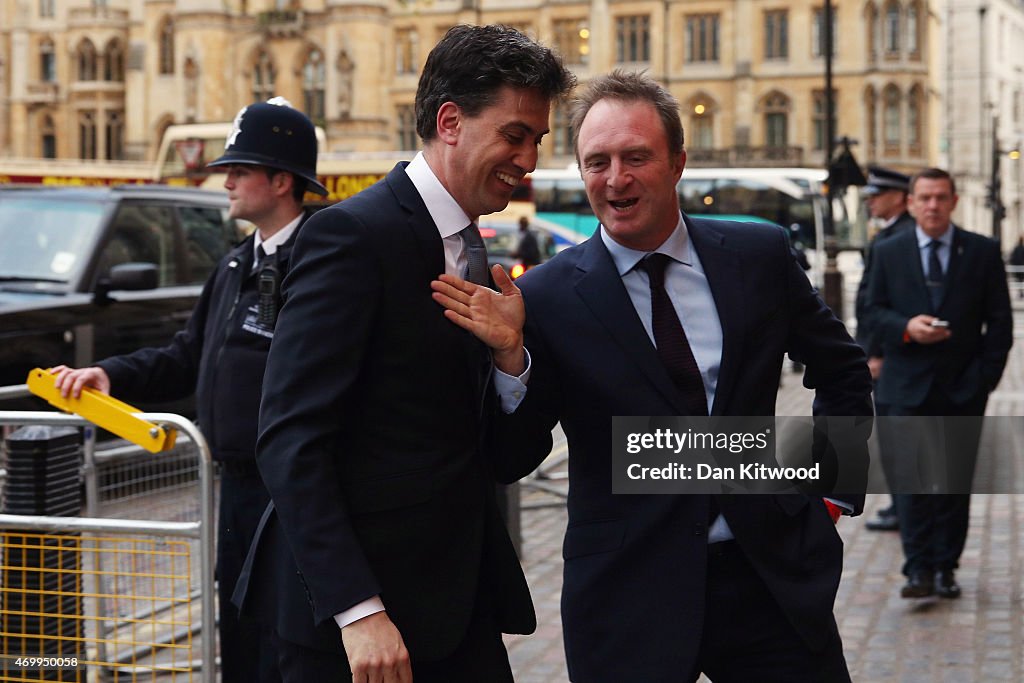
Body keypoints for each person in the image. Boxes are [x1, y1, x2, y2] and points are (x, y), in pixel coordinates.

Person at [432, 71, 872, 682]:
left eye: (636, 156)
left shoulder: (759, 256)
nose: (616, 179)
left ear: (677, 163)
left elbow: (843, 368)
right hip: (627, 594)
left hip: (768, 579)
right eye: (597, 161)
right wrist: (512, 360)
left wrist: (831, 489)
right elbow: (511, 455)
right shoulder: (548, 297)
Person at [231, 25, 574, 682]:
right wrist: (357, 610)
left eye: (537, 140)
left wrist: (511, 359)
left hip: (457, 606)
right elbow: (289, 437)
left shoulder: (477, 253)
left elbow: (507, 456)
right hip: (360, 625)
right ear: (451, 121)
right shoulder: (352, 234)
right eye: (514, 135)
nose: (529, 158)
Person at [49, 98, 328, 683]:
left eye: (240, 170)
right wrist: (111, 375)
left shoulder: (319, 262)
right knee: (239, 632)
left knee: (290, 641)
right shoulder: (233, 266)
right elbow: (187, 355)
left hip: (292, 492)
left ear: (281, 181)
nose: (225, 181)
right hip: (234, 486)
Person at [865, 167, 1013, 599]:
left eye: (941, 197)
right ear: (911, 203)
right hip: (905, 386)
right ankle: (919, 570)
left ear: (954, 201)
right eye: (924, 198)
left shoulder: (982, 252)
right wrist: (907, 328)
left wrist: (984, 379)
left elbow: (999, 323)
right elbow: (872, 312)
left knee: (951, 484)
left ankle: (946, 567)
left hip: (961, 388)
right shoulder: (888, 251)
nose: (932, 206)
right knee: (910, 486)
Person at [855, 165, 916, 532]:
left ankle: (903, 506)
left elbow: (887, 302)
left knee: (899, 435)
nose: (871, 203)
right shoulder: (891, 234)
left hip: (891, 355)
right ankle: (900, 504)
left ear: (897, 197)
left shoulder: (900, 238)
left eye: (877, 196)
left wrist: (876, 353)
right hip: (885, 351)